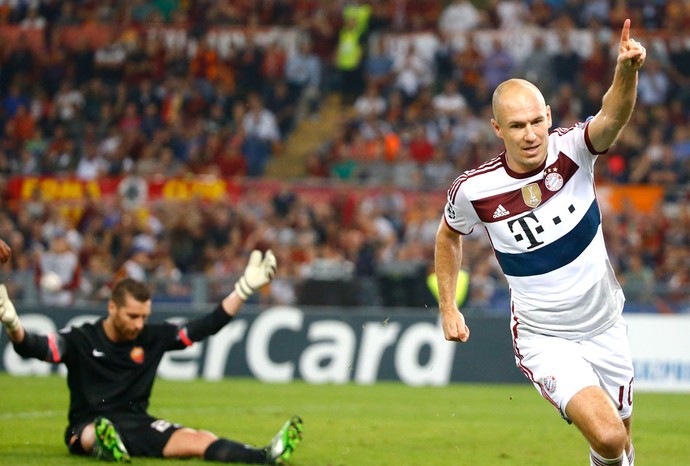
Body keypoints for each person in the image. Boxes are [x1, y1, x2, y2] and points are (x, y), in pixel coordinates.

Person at [434, 20, 645, 466]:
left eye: (536, 122)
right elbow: (449, 235)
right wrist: (449, 306)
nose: (530, 135)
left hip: (606, 321)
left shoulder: (574, 150)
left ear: (549, 115)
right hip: (545, 335)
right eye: (517, 126)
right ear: (497, 129)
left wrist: (625, 71)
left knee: (622, 443)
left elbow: (613, 115)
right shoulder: (474, 190)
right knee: (608, 438)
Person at [0, 249, 304, 464]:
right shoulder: (82, 338)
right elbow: (34, 348)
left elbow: (204, 326)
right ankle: (106, 445)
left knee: (198, 439)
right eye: (132, 316)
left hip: (137, 424)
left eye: (144, 317)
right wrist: (14, 325)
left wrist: (244, 288)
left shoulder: (152, 338)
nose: (138, 324)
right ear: (112, 308)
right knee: (95, 432)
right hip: (87, 426)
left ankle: (265, 455)